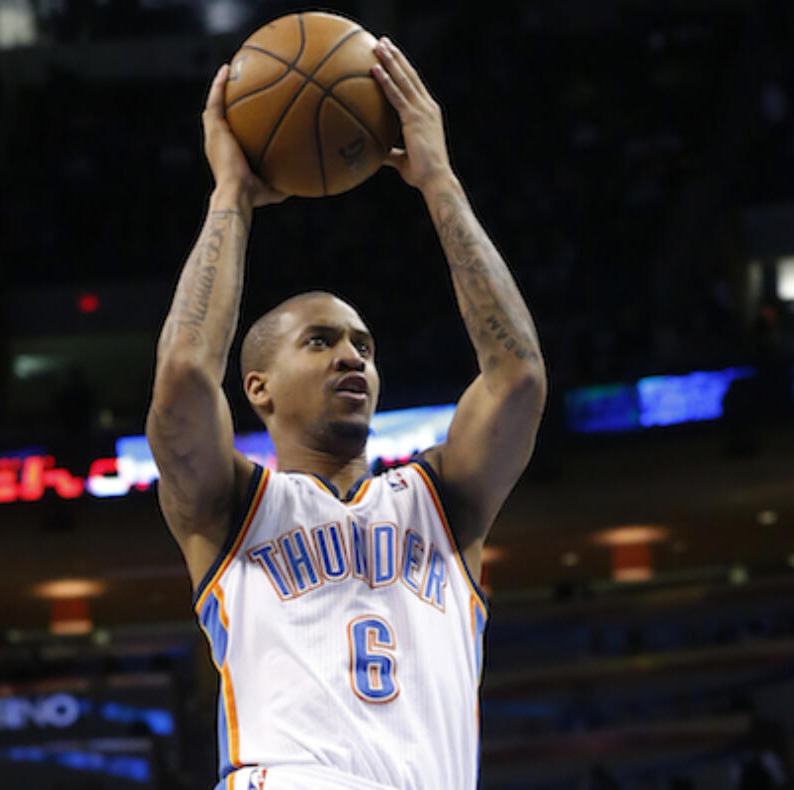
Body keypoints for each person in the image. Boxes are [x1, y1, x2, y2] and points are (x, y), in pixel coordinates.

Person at [146, 36, 546, 790]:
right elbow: (181, 377)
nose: (352, 357)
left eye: (364, 344)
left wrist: (439, 181)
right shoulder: (231, 508)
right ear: (257, 387)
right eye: (321, 341)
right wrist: (229, 197)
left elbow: (519, 378)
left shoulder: (441, 503)